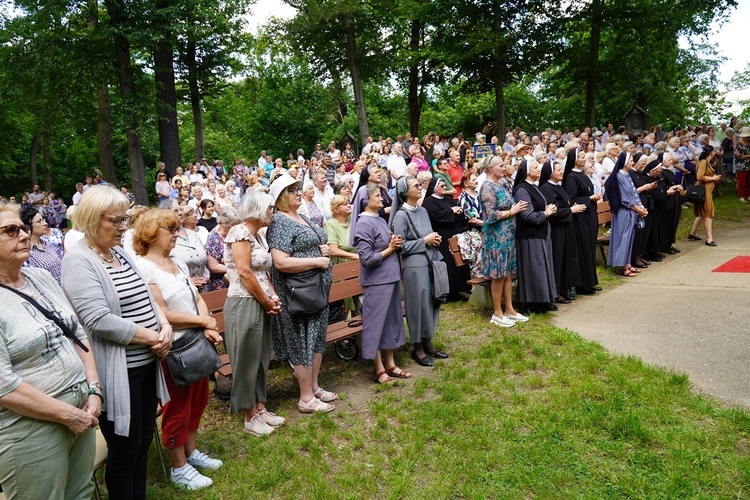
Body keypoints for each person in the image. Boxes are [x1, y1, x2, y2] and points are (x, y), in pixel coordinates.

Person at [61, 186, 172, 500]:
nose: (125, 226)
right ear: (93, 220)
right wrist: (153, 337)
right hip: (118, 374)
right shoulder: (78, 262)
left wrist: (164, 326)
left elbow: (147, 295)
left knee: (143, 442)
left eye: (125, 219)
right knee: (124, 449)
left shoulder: (120, 252)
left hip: (146, 365)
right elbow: (98, 319)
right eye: (117, 220)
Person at [0, 205, 99, 499]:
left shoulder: (40, 277)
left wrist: (94, 389)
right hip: (30, 427)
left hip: (81, 408)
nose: (23, 235)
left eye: (23, 227)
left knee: (80, 493)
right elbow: (3, 386)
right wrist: (67, 415)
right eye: (10, 230)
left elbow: (77, 334)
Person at [133, 210, 224, 490]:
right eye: (170, 229)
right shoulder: (143, 267)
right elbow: (162, 313)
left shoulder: (177, 263)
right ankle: (178, 467)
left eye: (176, 228)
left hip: (196, 342)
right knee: (177, 406)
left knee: (198, 400)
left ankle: (190, 451)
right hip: (174, 348)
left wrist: (207, 325)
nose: (176, 233)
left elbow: (196, 297)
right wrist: (204, 321)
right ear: (150, 233)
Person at [266, 175, 336, 413]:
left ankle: (314, 388)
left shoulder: (302, 216)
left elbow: (314, 243)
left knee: (315, 339)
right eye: (292, 190)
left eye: (298, 188)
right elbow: (281, 262)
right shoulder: (280, 222)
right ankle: (305, 398)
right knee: (299, 341)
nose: (299, 192)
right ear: (281, 197)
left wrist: (324, 248)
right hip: (296, 294)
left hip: (317, 290)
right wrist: (318, 260)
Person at [223, 191, 286, 436]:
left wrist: (272, 295)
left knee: (260, 357)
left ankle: (260, 407)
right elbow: (245, 273)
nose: (272, 212)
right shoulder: (239, 232)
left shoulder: (257, 236)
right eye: (270, 208)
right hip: (244, 302)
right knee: (246, 358)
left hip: (260, 300)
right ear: (257, 209)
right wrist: (265, 301)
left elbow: (262, 274)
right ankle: (248, 415)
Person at [353, 183, 409, 383]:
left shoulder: (379, 220)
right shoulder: (364, 224)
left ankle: (391, 363)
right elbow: (366, 259)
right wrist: (390, 249)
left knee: (391, 322)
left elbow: (385, 245)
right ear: (366, 201)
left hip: (390, 278)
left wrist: (394, 241)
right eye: (377, 196)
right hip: (376, 283)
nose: (382, 198)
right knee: (375, 324)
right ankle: (378, 369)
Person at [390, 176, 447, 365]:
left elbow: (428, 235)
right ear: (405, 193)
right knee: (417, 305)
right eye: (415, 185)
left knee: (431, 301)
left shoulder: (422, 211)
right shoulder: (400, 215)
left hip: (429, 260)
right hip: (413, 266)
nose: (420, 187)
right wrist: (425, 241)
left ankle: (428, 343)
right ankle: (418, 348)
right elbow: (402, 247)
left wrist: (434, 239)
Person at [478, 156, 529, 327]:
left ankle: (509, 309)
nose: (504, 167)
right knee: (498, 275)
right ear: (491, 169)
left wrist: (516, 206)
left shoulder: (502, 183)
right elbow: (491, 215)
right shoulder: (487, 187)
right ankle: (497, 313)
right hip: (495, 238)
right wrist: (512, 212)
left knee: (507, 273)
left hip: (507, 236)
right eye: (500, 165)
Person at [512, 160, 558, 313]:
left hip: (541, 233)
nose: (539, 169)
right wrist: (546, 213)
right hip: (529, 236)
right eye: (535, 167)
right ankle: (533, 302)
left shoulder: (534, 187)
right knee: (534, 269)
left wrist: (548, 209)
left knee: (542, 267)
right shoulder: (522, 190)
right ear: (525, 171)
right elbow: (527, 215)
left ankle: (543, 299)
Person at [540, 161, 586, 304]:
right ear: (550, 173)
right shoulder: (547, 189)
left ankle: (565, 287)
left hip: (565, 228)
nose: (561, 172)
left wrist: (570, 207)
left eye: (561, 169)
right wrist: (571, 210)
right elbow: (554, 212)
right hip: (556, 230)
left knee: (566, 257)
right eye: (558, 170)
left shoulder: (558, 186)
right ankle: (557, 291)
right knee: (557, 258)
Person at [421, 177, 470, 300]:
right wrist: (451, 211)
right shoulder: (429, 202)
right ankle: (449, 291)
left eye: (444, 186)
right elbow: (434, 216)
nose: (444, 188)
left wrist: (458, 211)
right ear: (434, 188)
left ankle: (460, 289)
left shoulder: (448, 199)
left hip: (454, 234)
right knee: (448, 264)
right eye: (441, 186)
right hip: (442, 236)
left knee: (457, 262)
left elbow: (455, 211)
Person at [563, 149, 602, 295]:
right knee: (582, 249)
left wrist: (593, 197)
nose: (583, 158)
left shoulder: (582, 175)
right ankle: (581, 283)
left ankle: (589, 282)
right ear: (574, 160)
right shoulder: (572, 178)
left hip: (589, 216)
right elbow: (571, 200)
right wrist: (589, 199)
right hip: (580, 219)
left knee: (589, 249)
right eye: (580, 156)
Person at [603, 153, 647, 276]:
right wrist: (638, 210)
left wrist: (641, 206)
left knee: (629, 238)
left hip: (631, 211)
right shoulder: (619, 176)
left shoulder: (626, 175)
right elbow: (625, 198)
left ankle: (627, 263)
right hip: (624, 212)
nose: (632, 163)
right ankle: (622, 267)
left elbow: (633, 192)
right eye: (631, 160)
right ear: (624, 162)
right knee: (623, 238)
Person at [161, 199, 210, 291]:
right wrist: (188, 281)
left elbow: (204, 263)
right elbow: (164, 268)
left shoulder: (193, 234)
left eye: (181, 210)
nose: (180, 213)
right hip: (182, 291)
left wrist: (206, 278)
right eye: (176, 211)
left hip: (204, 290)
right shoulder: (164, 239)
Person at [20, 205, 62, 283]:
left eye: (43, 220)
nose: (45, 223)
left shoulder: (48, 244)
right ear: (28, 227)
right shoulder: (27, 252)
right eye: (39, 221)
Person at [689, 146, 721, 246]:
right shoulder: (703, 162)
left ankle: (693, 233)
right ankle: (709, 239)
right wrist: (713, 178)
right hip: (704, 191)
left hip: (706, 190)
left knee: (701, 213)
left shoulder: (705, 162)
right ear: (711, 152)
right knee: (708, 213)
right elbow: (700, 176)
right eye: (714, 151)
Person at [204, 206, 240, 291]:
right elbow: (213, 266)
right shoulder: (213, 238)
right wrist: (237, 269)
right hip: (222, 283)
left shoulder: (234, 233)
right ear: (224, 223)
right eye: (233, 226)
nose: (236, 228)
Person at [325, 195, 358, 264]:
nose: (349, 205)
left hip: (358, 263)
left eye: (349, 203)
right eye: (345, 204)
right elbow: (333, 250)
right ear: (336, 210)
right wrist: (356, 256)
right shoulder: (330, 224)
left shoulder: (353, 219)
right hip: (341, 266)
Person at [735, 127, 750, 202]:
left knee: (749, 181)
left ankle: (749, 195)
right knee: (742, 181)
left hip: (749, 165)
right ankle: (741, 196)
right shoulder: (738, 144)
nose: (747, 138)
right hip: (741, 166)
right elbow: (738, 156)